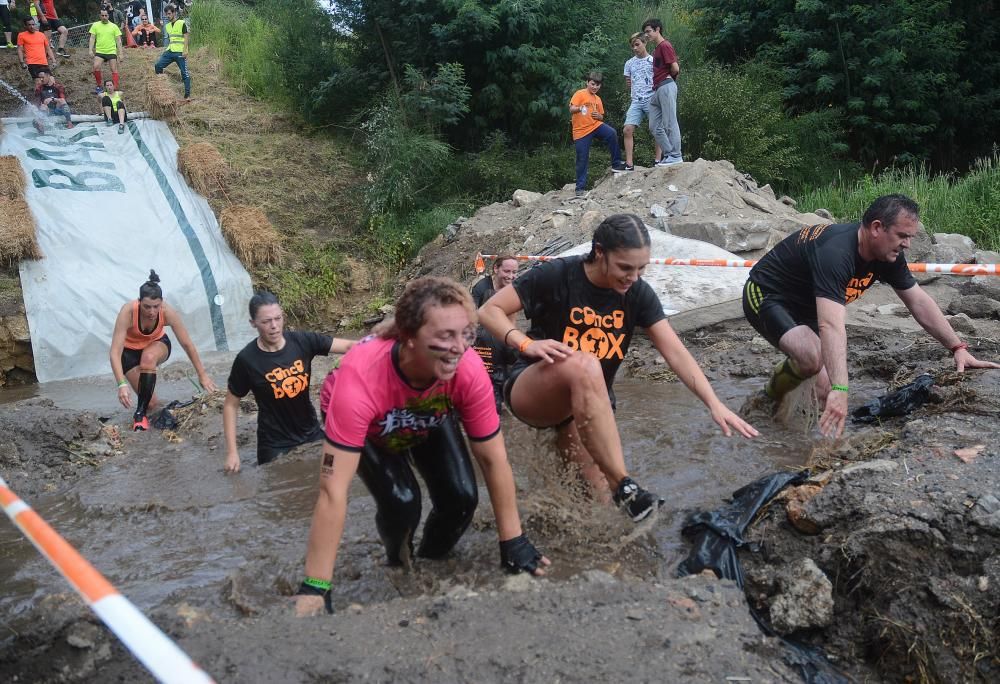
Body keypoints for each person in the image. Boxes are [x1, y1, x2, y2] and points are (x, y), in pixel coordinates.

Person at [294, 277, 549, 615]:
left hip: (429, 409)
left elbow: (493, 459)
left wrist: (513, 541)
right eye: (445, 336)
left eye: (466, 334)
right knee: (402, 502)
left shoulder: (468, 369)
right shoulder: (359, 378)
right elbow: (332, 491)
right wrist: (316, 586)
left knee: (461, 498)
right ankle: (400, 563)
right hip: (372, 424)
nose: (459, 348)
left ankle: (431, 561)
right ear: (409, 337)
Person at [479, 214, 757, 521]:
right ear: (600, 252)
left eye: (641, 268)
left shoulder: (638, 294)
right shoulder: (558, 274)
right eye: (625, 267)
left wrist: (713, 403)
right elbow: (489, 310)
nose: (633, 277)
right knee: (584, 363)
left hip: (588, 404)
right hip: (534, 388)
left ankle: (596, 532)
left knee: (598, 505)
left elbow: (676, 352)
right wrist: (525, 344)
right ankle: (625, 484)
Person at [743, 194, 1000, 438]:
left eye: (910, 237)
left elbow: (918, 301)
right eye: (902, 236)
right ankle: (767, 398)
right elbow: (831, 325)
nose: (907, 244)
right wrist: (843, 389)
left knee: (824, 389)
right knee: (813, 360)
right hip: (768, 294)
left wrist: (958, 347)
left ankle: (793, 440)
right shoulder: (836, 252)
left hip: (811, 305)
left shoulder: (888, 255)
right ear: (877, 228)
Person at [223, 292, 356, 472]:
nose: (274, 326)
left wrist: (386, 344)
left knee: (332, 472)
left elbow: (349, 347)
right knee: (280, 492)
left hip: (311, 433)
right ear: (253, 323)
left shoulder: (302, 341)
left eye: (278, 318)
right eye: (266, 321)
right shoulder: (247, 360)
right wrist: (232, 452)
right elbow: (231, 405)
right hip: (274, 443)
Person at [109, 270, 218, 431]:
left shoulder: (167, 312)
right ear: (139, 302)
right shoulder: (128, 312)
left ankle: (139, 415)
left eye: (156, 307)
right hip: (129, 352)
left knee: (148, 357)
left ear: (162, 303)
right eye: (147, 307)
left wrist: (202, 375)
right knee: (152, 404)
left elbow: (187, 344)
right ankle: (151, 416)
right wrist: (121, 384)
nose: (152, 312)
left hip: (157, 345)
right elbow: (115, 352)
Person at [470, 255, 519, 412]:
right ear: (496, 269)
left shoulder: (514, 288)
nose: (510, 276)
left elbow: (513, 320)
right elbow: (472, 319)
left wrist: (512, 340)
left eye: (514, 272)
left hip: (505, 333)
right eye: (506, 271)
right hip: (484, 336)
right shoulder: (481, 288)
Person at [569, 71, 627, 197]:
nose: (595, 87)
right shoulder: (580, 94)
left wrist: (599, 116)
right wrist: (580, 108)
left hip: (595, 125)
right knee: (582, 158)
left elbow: (601, 116)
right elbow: (571, 109)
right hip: (581, 131)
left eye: (597, 85)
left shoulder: (598, 99)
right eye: (593, 84)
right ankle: (580, 188)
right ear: (587, 83)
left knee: (611, 133)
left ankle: (616, 163)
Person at [642, 18, 682, 166]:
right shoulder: (656, 49)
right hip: (657, 90)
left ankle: (676, 156)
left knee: (670, 122)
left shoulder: (665, 45)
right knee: (654, 126)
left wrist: (668, 79)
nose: (647, 35)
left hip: (666, 85)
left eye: (649, 31)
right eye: (645, 32)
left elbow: (675, 68)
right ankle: (669, 154)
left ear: (657, 29)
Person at [622, 32, 661, 171]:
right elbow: (628, 82)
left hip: (652, 99)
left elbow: (660, 78)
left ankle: (658, 160)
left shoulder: (653, 60)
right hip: (636, 101)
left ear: (645, 43)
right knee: (627, 129)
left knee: (657, 129)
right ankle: (629, 164)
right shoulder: (629, 63)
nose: (635, 48)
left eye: (637, 44)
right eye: (632, 46)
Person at [155, 4, 190, 100]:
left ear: (174, 13)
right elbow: (171, 39)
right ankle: (162, 88)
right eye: (166, 14)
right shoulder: (167, 26)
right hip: (170, 51)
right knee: (158, 66)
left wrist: (185, 51)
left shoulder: (181, 23)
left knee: (184, 73)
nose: (168, 16)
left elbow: (186, 37)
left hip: (180, 52)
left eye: (169, 13)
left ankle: (187, 95)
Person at [89, 7, 124, 92]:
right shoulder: (95, 25)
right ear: (100, 16)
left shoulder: (114, 26)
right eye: (102, 15)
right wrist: (90, 50)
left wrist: (121, 53)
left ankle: (114, 87)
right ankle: (99, 86)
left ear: (108, 16)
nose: (104, 17)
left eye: (106, 15)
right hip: (100, 51)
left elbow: (118, 40)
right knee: (96, 66)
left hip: (111, 51)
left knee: (114, 69)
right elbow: (92, 38)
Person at [17, 17, 56, 83]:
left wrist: (54, 61)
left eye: (33, 24)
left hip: (44, 63)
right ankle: (37, 92)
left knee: (51, 81)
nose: (32, 27)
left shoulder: (41, 35)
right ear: (25, 26)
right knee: (38, 82)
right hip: (32, 63)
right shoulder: (21, 35)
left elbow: (48, 48)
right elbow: (20, 50)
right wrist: (22, 62)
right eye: (29, 25)